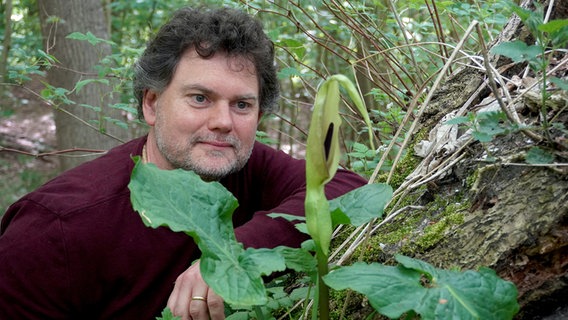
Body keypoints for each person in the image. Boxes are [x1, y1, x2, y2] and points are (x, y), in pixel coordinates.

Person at [0, 6, 367, 320]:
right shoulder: (54, 230)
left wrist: (229, 257)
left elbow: (345, 186)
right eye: (199, 98)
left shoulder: (241, 166)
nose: (224, 121)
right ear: (151, 104)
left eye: (242, 104)